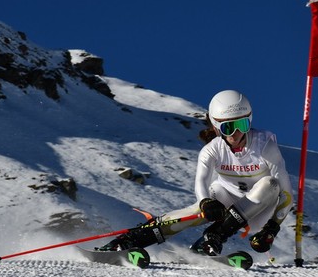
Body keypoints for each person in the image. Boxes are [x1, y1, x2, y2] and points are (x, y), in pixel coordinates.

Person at [97, 89, 293, 256]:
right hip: (227, 199)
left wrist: (272, 228)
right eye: (228, 127)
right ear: (217, 127)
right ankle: (129, 241)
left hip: (260, 211)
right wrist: (205, 202)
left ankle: (213, 237)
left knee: (270, 184)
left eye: (242, 125)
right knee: (196, 212)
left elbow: (285, 192)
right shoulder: (212, 150)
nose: (236, 134)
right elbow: (202, 181)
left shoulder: (264, 144)